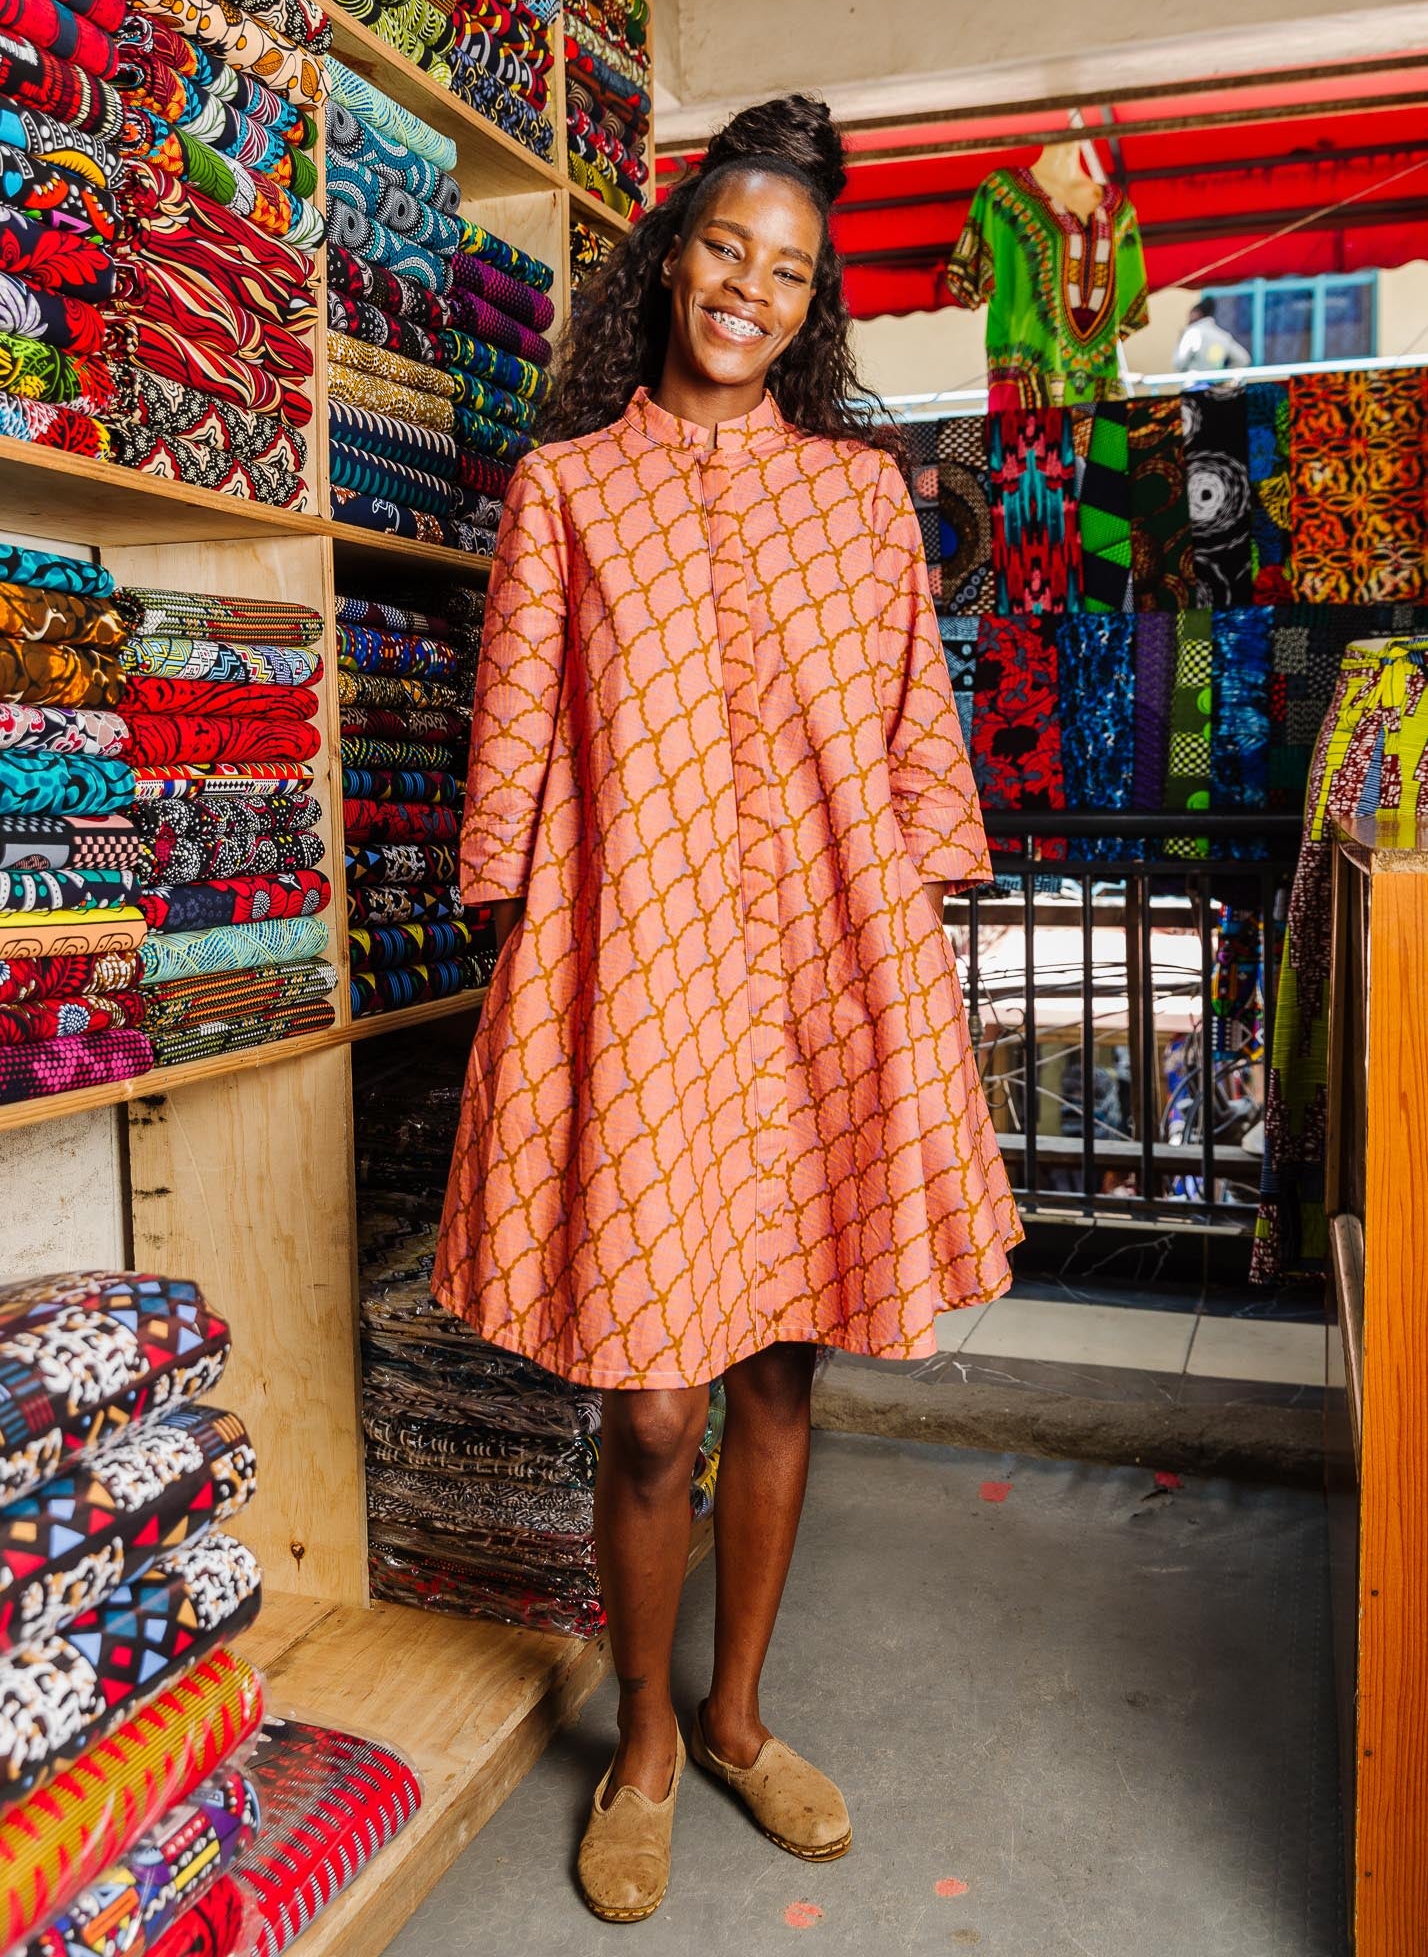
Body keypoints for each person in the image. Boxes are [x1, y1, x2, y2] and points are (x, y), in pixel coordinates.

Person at [432, 94, 1022, 1925]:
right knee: (650, 1406)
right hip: (637, 973)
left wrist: (902, 957)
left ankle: (738, 1718)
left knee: (780, 1362)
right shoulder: (566, 492)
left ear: (813, 300)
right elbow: (512, 752)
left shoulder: (862, 501)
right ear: (670, 258)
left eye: (788, 270)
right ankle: (642, 1741)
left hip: (824, 969)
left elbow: (916, 742)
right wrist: (542, 969)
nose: (748, 290)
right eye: (724, 248)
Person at [1174, 297, 1251, 374]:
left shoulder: (1193, 332)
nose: (1188, 319)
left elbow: (1179, 362)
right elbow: (1243, 360)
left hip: (1193, 380)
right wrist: (1224, 374)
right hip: (1215, 380)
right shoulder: (1223, 336)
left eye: (1190, 314)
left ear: (1198, 313)